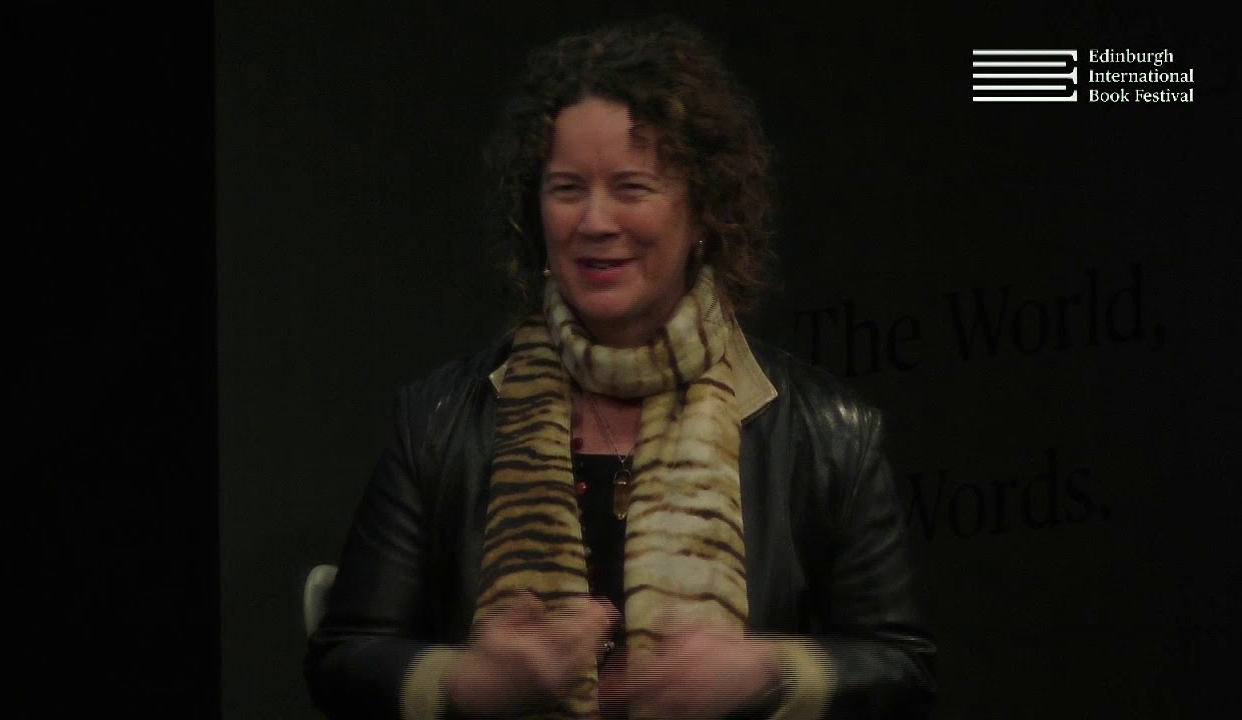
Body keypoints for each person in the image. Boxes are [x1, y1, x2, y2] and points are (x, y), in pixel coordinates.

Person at [305, 17, 936, 720]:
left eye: (632, 187)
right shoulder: (441, 420)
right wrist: (473, 684)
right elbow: (345, 656)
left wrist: (765, 671)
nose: (594, 221)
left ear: (704, 212)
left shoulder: (827, 433)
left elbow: (900, 667)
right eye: (567, 188)